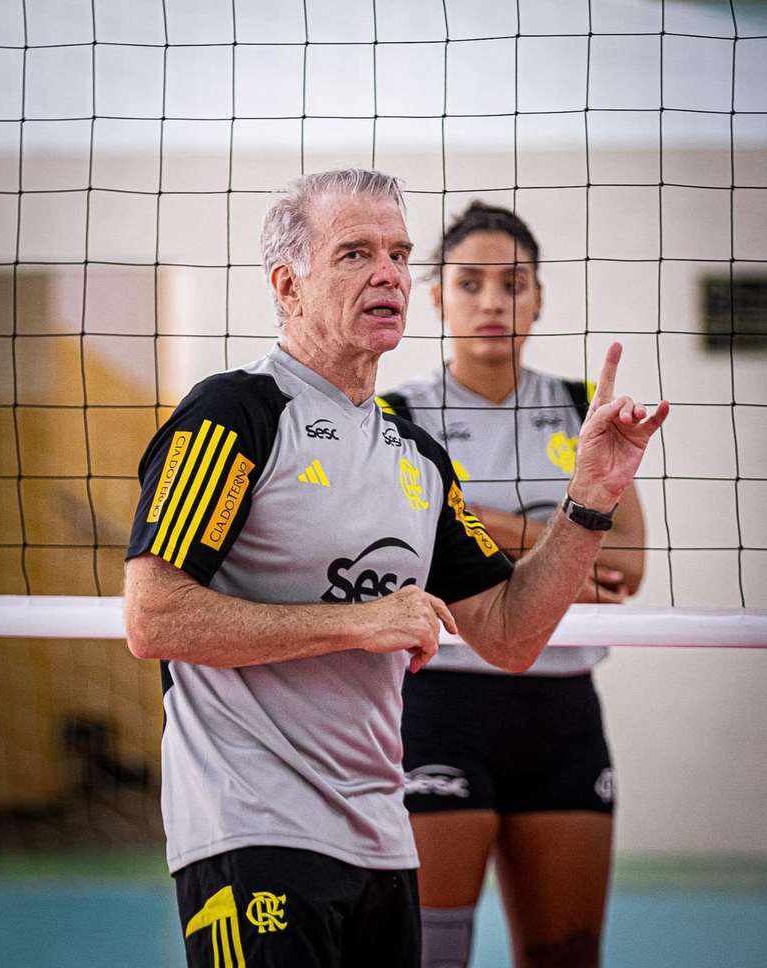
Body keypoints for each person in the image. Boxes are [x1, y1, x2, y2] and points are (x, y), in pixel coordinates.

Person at [124, 169, 668, 968]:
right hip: (254, 831)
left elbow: (512, 634)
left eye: (397, 254)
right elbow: (153, 618)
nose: (387, 273)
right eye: (354, 253)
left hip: (381, 843)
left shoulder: (416, 458)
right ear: (288, 285)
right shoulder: (234, 412)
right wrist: (360, 619)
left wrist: (588, 501)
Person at [378, 201, 646, 968]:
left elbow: (626, 569)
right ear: (436, 298)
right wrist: (572, 540)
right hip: (440, 703)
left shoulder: (580, 409)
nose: (493, 301)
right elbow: (415, 566)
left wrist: (480, 519)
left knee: (567, 952)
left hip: (562, 709)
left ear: (539, 297)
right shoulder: (398, 416)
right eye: (470, 283)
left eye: (513, 282)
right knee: (430, 954)